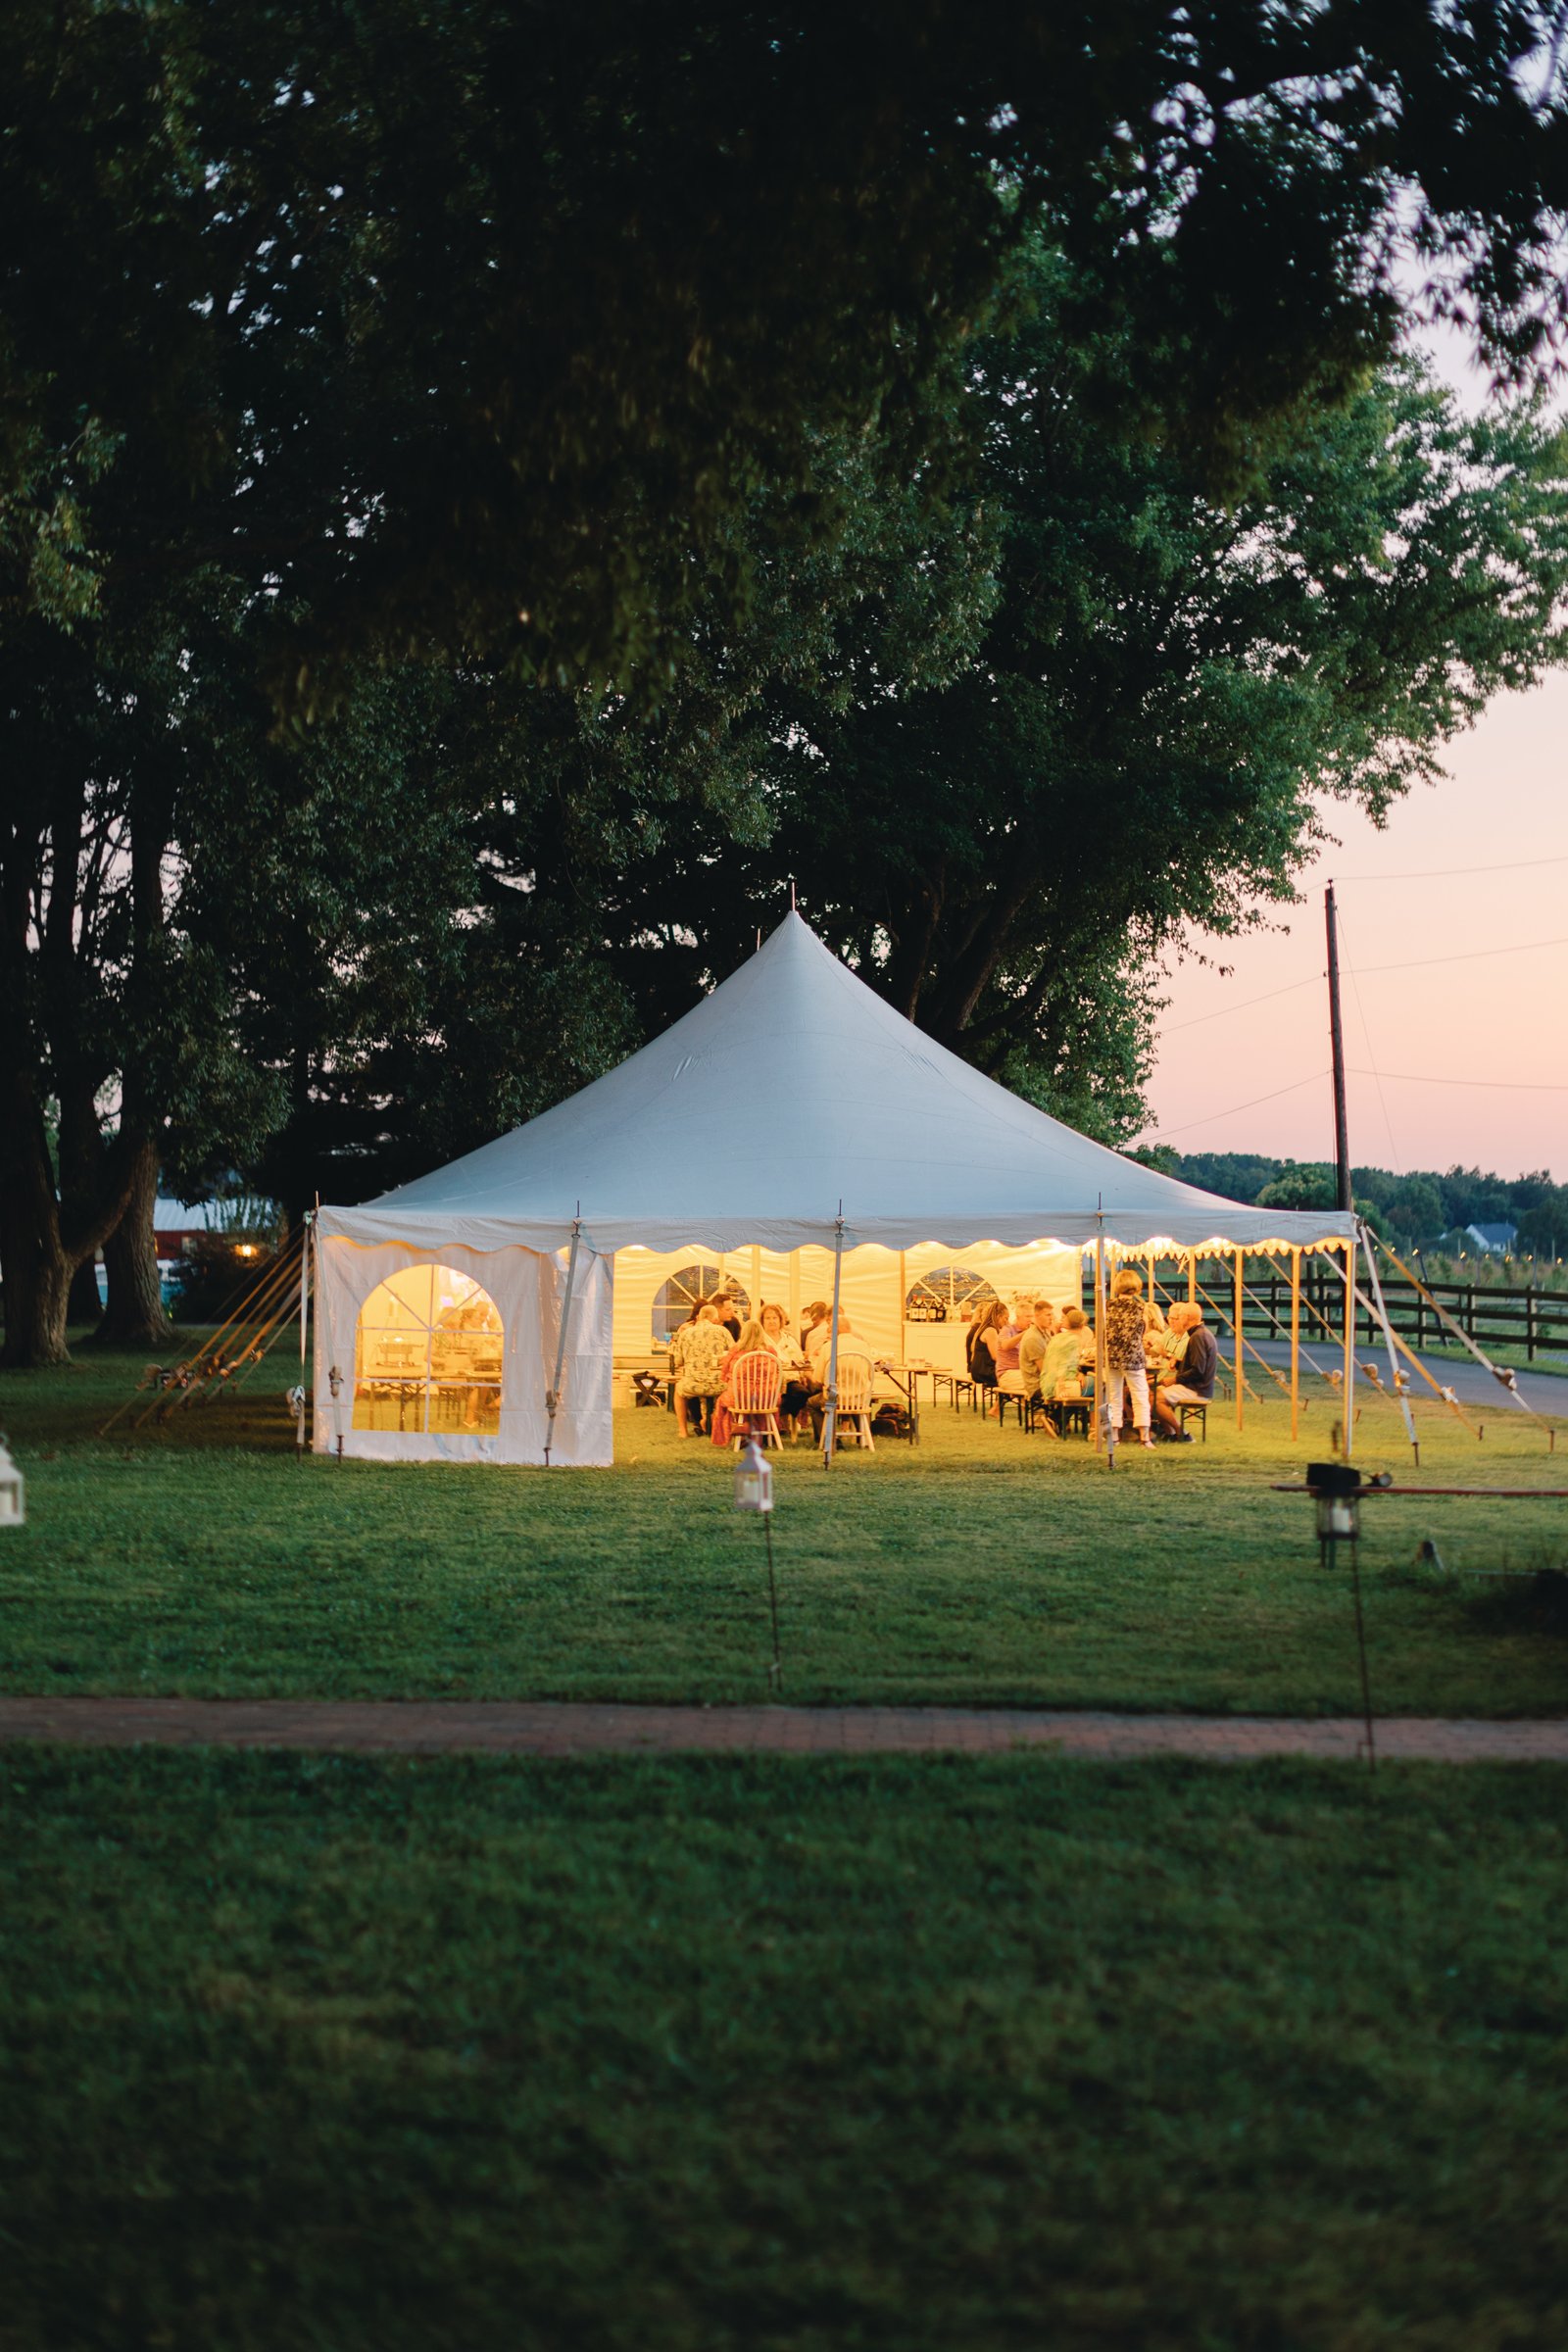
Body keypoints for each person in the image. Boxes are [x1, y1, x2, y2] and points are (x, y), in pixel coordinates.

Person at [1102, 1268, 1153, 1447]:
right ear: (1137, 1287)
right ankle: (1144, 1437)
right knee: (1140, 1394)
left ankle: (1114, 1436)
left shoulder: (1107, 1306)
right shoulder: (1141, 1308)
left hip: (1112, 1355)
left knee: (1113, 1395)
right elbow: (1143, 1332)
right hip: (1133, 1356)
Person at [1152, 1301, 1218, 1440]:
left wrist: (1174, 1379)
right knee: (1154, 1394)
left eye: (1180, 1316)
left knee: (1155, 1399)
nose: (1177, 1319)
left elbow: (1198, 1370)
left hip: (1197, 1389)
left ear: (1187, 1317)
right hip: (1198, 1386)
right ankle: (1170, 1433)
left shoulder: (1198, 1337)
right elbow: (1197, 1365)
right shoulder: (1202, 1333)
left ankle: (1182, 1434)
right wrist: (1178, 1364)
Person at [711, 1318, 771, 1446]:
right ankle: (760, 1433)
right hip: (765, 1398)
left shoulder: (736, 1350)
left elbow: (724, 1373)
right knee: (763, 1398)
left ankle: (740, 1432)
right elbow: (776, 1373)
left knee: (723, 1400)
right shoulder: (769, 1351)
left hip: (740, 1397)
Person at [674, 1304, 729, 1438]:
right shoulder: (722, 1331)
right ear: (714, 1318)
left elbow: (678, 1361)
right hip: (719, 1384)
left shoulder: (685, 1333)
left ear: (699, 1317)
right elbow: (734, 1353)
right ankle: (712, 1420)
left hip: (693, 1384)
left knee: (678, 1390)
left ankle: (683, 1431)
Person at [760, 1302, 810, 1436]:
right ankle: (776, 1421)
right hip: (767, 1382)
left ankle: (778, 1415)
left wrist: (801, 1373)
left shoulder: (789, 1339)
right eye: (768, 1318)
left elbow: (800, 1360)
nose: (771, 1321)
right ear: (762, 1321)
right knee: (768, 1398)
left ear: (780, 1320)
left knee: (802, 1394)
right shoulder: (759, 1340)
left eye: (774, 1318)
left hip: (789, 1380)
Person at [966, 1299, 1007, 1404]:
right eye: (1005, 1318)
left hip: (979, 1369)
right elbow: (995, 1356)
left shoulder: (985, 1328)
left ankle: (998, 1406)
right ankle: (998, 1407)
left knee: (1010, 1375)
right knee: (1010, 1378)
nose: (1007, 1322)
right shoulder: (990, 1331)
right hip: (984, 1370)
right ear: (998, 1316)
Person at [1016, 1298, 1057, 1400]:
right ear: (1037, 1316)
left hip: (1046, 1382)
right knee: (1088, 1387)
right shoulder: (1033, 1338)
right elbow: (1045, 1370)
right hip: (1038, 1387)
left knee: (1087, 1385)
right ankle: (1059, 1413)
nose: (1052, 1318)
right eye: (1048, 1315)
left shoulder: (1044, 1332)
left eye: (1052, 1315)